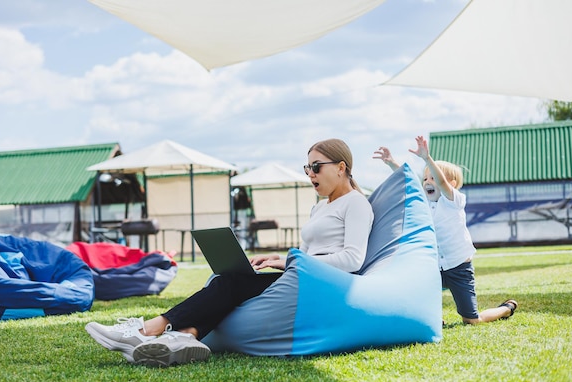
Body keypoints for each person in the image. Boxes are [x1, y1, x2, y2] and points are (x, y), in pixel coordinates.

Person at [86, 138, 374, 367]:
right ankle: (186, 337)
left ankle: (146, 330)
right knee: (224, 277)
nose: (310, 173)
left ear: (340, 167)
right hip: (302, 275)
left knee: (229, 283)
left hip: (323, 285)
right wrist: (281, 260)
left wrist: (291, 260)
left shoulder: (356, 204)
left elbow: (353, 259)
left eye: (316, 167)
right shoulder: (320, 207)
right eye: (307, 168)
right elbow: (310, 252)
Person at [373, 136, 518, 325]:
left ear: (452, 183)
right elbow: (410, 182)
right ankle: (432, 317)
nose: (427, 182)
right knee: (416, 293)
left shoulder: (454, 201)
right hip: (434, 267)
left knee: (472, 320)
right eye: (425, 178)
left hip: (459, 266)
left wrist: (427, 159)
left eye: (432, 177)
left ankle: (505, 309)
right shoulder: (424, 202)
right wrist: (392, 163)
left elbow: (442, 183)